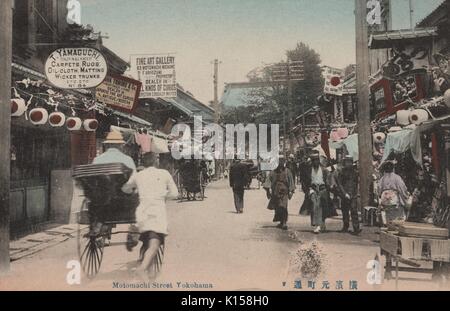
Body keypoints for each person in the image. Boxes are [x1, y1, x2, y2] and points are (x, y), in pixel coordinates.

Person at [122, 152, 179, 280]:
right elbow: (174, 194)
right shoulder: (164, 174)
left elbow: (125, 188)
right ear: (155, 162)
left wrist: (134, 190)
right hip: (157, 212)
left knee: (147, 239)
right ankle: (142, 268)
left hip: (142, 212)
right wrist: (163, 195)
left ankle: (146, 268)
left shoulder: (138, 175)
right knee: (155, 243)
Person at [300, 152, 332, 234]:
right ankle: (317, 225)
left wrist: (330, 187)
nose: (315, 162)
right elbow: (304, 181)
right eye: (314, 161)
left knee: (323, 207)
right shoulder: (308, 170)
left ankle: (322, 222)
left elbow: (329, 180)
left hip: (322, 189)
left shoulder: (324, 170)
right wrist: (307, 190)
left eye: (317, 160)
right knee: (315, 205)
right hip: (313, 189)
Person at [264, 156, 295, 230]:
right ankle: (281, 221)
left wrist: (291, 191)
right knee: (278, 207)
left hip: (285, 192)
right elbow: (268, 181)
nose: (281, 162)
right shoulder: (273, 172)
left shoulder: (288, 171)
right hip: (276, 192)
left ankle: (284, 222)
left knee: (284, 206)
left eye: (283, 161)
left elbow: (291, 182)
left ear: (284, 162)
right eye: (280, 161)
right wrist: (268, 191)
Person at [335, 156, 361, 235]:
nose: (348, 164)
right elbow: (339, 184)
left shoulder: (355, 172)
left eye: (350, 162)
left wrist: (356, 193)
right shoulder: (342, 172)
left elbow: (356, 183)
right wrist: (344, 193)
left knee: (354, 211)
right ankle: (345, 226)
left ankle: (356, 228)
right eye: (347, 162)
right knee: (345, 211)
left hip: (353, 194)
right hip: (344, 194)